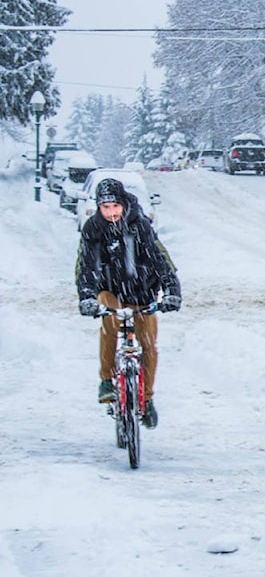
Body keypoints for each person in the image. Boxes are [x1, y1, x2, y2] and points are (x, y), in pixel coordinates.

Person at [76, 178, 181, 429]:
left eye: (115, 206)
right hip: (109, 290)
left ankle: (146, 398)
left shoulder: (140, 225)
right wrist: (87, 297)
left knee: (148, 344)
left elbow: (160, 258)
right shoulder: (93, 229)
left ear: (123, 204)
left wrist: (171, 291)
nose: (111, 212)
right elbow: (86, 266)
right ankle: (106, 379)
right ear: (99, 208)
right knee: (110, 323)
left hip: (142, 292)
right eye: (105, 207)